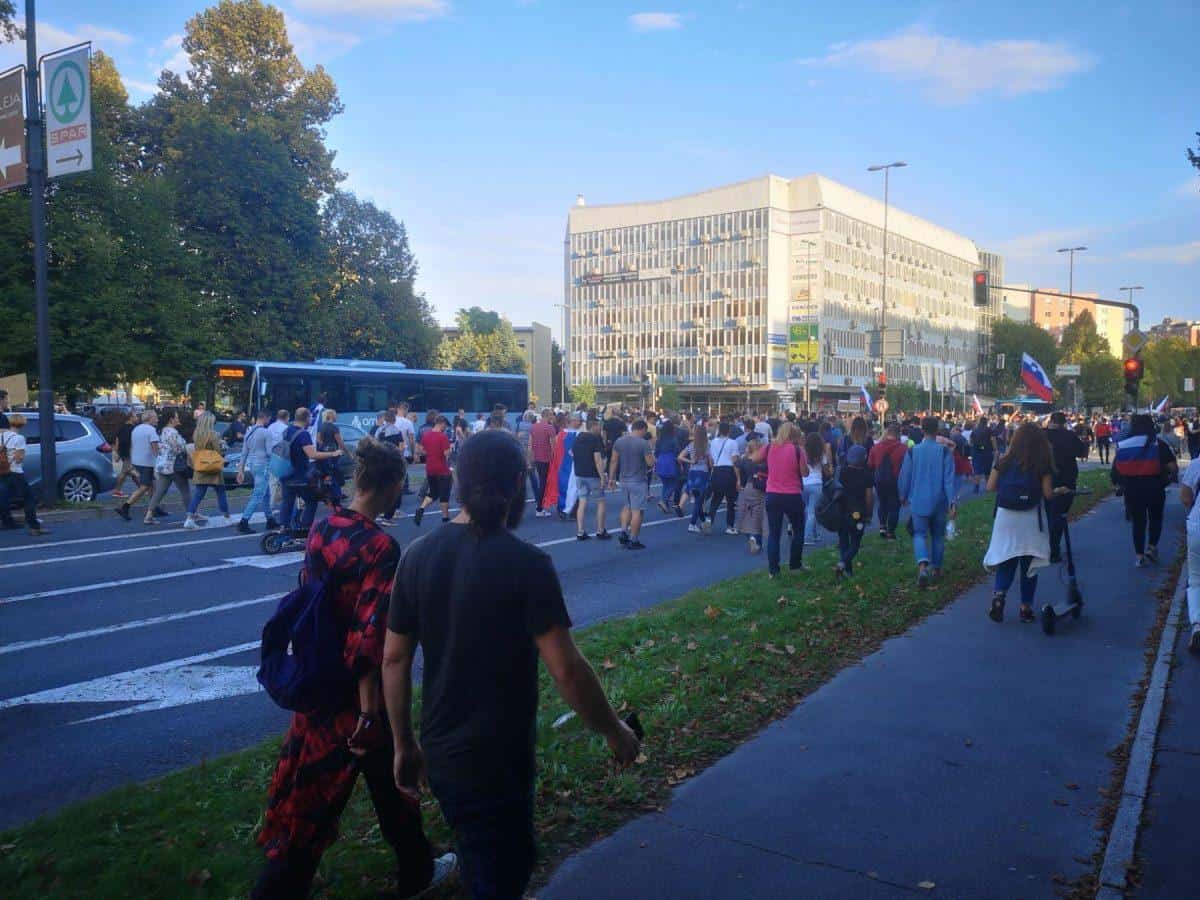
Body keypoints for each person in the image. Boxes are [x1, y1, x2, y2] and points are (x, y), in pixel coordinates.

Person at [382, 430, 639, 899]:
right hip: (498, 757)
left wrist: (403, 743)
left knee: (483, 856)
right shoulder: (527, 564)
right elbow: (567, 669)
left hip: (441, 750)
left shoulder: (418, 557)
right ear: (519, 483)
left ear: (458, 480)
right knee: (502, 872)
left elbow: (394, 658)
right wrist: (614, 731)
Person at [255, 438, 456, 899]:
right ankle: (279, 889)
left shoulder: (324, 529)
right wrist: (369, 713)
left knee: (356, 788)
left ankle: (418, 869)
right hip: (355, 698)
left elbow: (312, 598)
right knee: (331, 796)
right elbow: (368, 636)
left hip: (318, 679)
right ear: (389, 486)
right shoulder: (380, 547)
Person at [984, 423, 1064, 623]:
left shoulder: (1003, 461)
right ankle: (1025, 607)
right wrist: (1058, 492)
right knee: (1029, 565)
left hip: (1006, 516)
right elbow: (1047, 494)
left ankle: (999, 596)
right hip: (1030, 517)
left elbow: (990, 487)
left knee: (1007, 558)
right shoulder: (1041, 462)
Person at [1112, 413, 1178, 567]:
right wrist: (1168, 479)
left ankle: (1139, 555)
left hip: (1133, 489)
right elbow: (1173, 467)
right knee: (1155, 518)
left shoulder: (1125, 444)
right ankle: (1152, 547)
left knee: (1138, 522)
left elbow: (1117, 469)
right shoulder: (1158, 444)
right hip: (1155, 487)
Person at [898, 416, 957, 589]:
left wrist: (902, 494)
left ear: (922, 430)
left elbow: (905, 475)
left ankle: (923, 566)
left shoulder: (912, 451)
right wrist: (952, 502)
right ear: (937, 430)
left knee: (919, 534)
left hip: (918, 499)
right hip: (939, 501)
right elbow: (949, 480)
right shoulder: (945, 452)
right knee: (938, 535)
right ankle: (937, 569)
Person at [279, 408, 344, 537]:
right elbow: (312, 454)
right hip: (299, 476)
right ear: (307, 418)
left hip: (285, 472)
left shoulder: (287, 430)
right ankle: (305, 529)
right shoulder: (303, 434)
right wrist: (333, 453)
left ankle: (284, 528)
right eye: (310, 418)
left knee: (287, 501)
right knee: (311, 500)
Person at [764, 422, 810, 578]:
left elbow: (754, 458)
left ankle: (773, 570)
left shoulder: (770, 447)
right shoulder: (798, 450)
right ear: (795, 435)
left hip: (772, 494)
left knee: (774, 534)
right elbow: (805, 473)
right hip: (792, 494)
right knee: (798, 529)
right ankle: (795, 565)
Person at [1044, 411, 1088, 563]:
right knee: (1060, 514)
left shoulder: (1042, 435)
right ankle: (1053, 548)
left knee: (1048, 512)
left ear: (1051, 421)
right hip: (1066, 478)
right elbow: (1082, 453)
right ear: (1064, 422)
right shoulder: (1069, 436)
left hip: (1043, 477)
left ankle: (1046, 546)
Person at [0, 414, 48, 535]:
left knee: (3, 497)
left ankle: (6, 521)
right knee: (29, 498)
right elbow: (19, 458)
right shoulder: (18, 438)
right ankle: (34, 527)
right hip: (15, 472)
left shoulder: (0, 437)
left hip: (1, 472)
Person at [610, 420, 654, 549]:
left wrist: (611, 478)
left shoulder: (619, 441)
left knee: (626, 506)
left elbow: (613, 460)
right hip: (638, 480)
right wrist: (652, 454)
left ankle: (623, 531)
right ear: (642, 429)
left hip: (623, 479)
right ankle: (633, 539)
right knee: (637, 511)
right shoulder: (643, 443)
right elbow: (650, 463)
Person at [143, 409, 191, 526]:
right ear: (171, 419)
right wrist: (187, 446)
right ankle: (191, 514)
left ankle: (148, 515)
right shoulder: (172, 432)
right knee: (185, 490)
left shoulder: (162, 431)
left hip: (163, 465)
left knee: (160, 491)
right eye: (176, 416)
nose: (178, 419)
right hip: (174, 466)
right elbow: (178, 449)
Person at [185, 412, 230, 529]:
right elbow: (218, 452)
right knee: (221, 492)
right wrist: (223, 445)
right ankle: (226, 517)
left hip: (201, 466)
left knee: (198, 494)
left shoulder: (196, 434)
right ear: (210, 422)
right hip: (213, 466)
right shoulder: (214, 434)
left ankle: (189, 518)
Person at [836, 444, 874, 577]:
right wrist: (869, 514)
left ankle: (848, 571)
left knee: (843, 542)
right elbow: (869, 497)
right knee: (855, 543)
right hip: (858, 514)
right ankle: (842, 563)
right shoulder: (866, 474)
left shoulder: (841, 472)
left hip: (841, 512)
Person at [237, 410, 278, 534]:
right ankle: (244, 521)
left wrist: (241, 470)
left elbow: (244, 453)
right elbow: (270, 452)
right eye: (269, 419)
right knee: (258, 494)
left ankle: (270, 519)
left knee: (265, 494)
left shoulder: (249, 432)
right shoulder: (266, 433)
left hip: (253, 464)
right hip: (263, 465)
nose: (269, 421)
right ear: (265, 418)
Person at [116, 410, 161, 521]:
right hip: (148, 462)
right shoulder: (151, 430)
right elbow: (155, 448)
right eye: (155, 417)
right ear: (149, 418)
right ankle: (125, 507)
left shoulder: (136, 429)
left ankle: (154, 508)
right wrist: (159, 462)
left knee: (151, 486)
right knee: (145, 486)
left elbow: (132, 445)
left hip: (137, 461)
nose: (157, 419)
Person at [572, 417, 609, 540]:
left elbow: (571, 453)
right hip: (592, 474)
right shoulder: (594, 439)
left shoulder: (578, 438)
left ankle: (580, 531)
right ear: (593, 426)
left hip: (579, 474)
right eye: (598, 426)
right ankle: (600, 530)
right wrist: (602, 476)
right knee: (600, 501)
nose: (600, 428)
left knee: (582, 502)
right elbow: (598, 460)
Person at [868, 422, 907, 540]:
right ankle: (891, 532)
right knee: (894, 506)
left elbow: (870, 465)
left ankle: (882, 526)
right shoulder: (903, 448)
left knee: (883, 503)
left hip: (880, 480)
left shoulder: (876, 447)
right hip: (896, 481)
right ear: (898, 434)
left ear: (887, 433)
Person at [413, 416, 453, 527]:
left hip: (430, 468)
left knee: (433, 493)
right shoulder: (443, 437)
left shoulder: (426, 435)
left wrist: (430, 452)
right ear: (441, 423)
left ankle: (421, 508)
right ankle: (445, 518)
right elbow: (446, 454)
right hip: (442, 469)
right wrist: (450, 449)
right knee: (444, 495)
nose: (445, 427)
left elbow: (420, 450)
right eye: (445, 425)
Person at [1180, 452, 1200, 652]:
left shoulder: (1196, 465)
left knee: (1196, 579)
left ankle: (1197, 624)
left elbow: (1185, 498)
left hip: (1198, 525)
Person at [707, 421, 740, 535]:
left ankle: (709, 520)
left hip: (716, 470)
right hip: (728, 471)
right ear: (729, 431)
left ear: (719, 430)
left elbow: (710, 460)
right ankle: (730, 526)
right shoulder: (733, 443)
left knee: (716, 499)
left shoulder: (713, 442)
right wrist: (738, 478)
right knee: (731, 501)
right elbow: (735, 462)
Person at [735, 437, 766, 554]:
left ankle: (749, 536)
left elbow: (736, 465)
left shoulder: (745, 460)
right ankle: (757, 541)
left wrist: (738, 480)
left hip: (746, 487)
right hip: (759, 487)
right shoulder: (762, 460)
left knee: (745, 514)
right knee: (758, 515)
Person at [678, 425, 712, 533]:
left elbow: (680, 457)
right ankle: (692, 524)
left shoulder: (691, 445)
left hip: (692, 472)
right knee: (699, 500)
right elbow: (711, 462)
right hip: (703, 473)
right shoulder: (707, 445)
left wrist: (690, 462)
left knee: (697, 497)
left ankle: (702, 521)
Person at [802, 431, 828, 545]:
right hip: (817, 483)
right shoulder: (822, 454)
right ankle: (807, 537)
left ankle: (815, 534)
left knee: (807, 509)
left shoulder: (803, 453)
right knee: (813, 512)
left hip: (803, 483)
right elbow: (827, 471)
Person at [530, 408, 556, 517]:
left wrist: (530, 458)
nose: (552, 417)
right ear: (547, 415)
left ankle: (540, 507)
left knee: (542, 482)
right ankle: (540, 508)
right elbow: (553, 445)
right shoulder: (550, 428)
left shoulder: (533, 427)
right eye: (551, 415)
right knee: (544, 483)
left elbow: (530, 445)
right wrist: (554, 458)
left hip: (537, 458)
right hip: (546, 458)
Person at [112, 411, 139, 498]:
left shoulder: (122, 427)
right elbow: (132, 442)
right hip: (130, 454)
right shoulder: (133, 428)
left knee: (129, 471)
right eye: (135, 416)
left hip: (124, 453)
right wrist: (132, 454)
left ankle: (143, 488)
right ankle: (116, 491)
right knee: (128, 472)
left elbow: (117, 440)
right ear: (131, 417)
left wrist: (118, 453)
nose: (137, 418)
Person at [970, 416, 996, 494]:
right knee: (987, 471)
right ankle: (988, 487)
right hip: (987, 452)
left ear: (980, 422)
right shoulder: (989, 430)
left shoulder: (974, 430)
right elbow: (993, 439)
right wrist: (995, 449)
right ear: (986, 422)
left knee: (977, 470)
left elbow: (970, 442)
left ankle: (976, 488)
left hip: (977, 452)